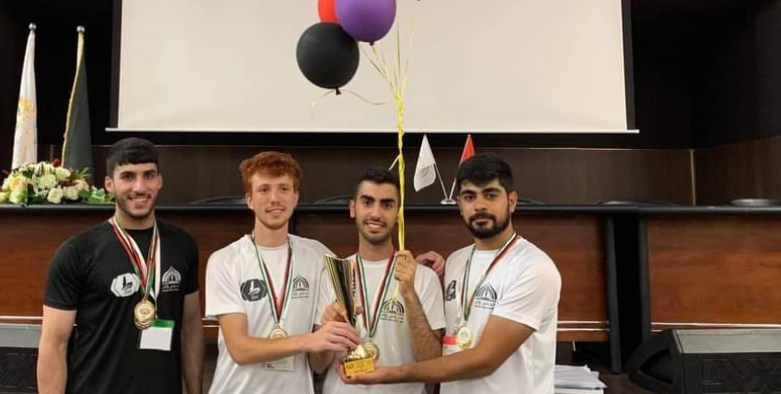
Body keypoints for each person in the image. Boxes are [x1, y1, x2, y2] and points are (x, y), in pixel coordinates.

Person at [341, 153, 561, 394]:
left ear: (512, 201)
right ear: (459, 205)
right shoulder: (456, 261)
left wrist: (391, 374)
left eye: (490, 195)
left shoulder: (533, 267)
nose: (479, 205)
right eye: (469, 196)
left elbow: (485, 360)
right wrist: (422, 276)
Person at [37, 137, 203, 394]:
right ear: (109, 184)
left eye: (149, 175)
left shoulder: (183, 245)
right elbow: (54, 345)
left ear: (160, 181)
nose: (140, 187)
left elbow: (190, 330)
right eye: (127, 176)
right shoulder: (77, 252)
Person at [205, 151, 360, 394]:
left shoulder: (320, 257)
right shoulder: (224, 260)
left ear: (295, 197)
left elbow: (318, 364)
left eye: (284, 189)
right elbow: (240, 350)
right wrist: (307, 340)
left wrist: (330, 327)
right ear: (249, 200)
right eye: (264, 190)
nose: (275, 198)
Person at [315, 168, 446, 394]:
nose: (376, 213)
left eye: (386, 205)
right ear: (353, 208)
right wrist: (328, 331)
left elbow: (432, 364)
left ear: (398, 213)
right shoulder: (333, 274)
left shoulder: (423, 277)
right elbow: (317, 366)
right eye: (367, 202)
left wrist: (409, 295)